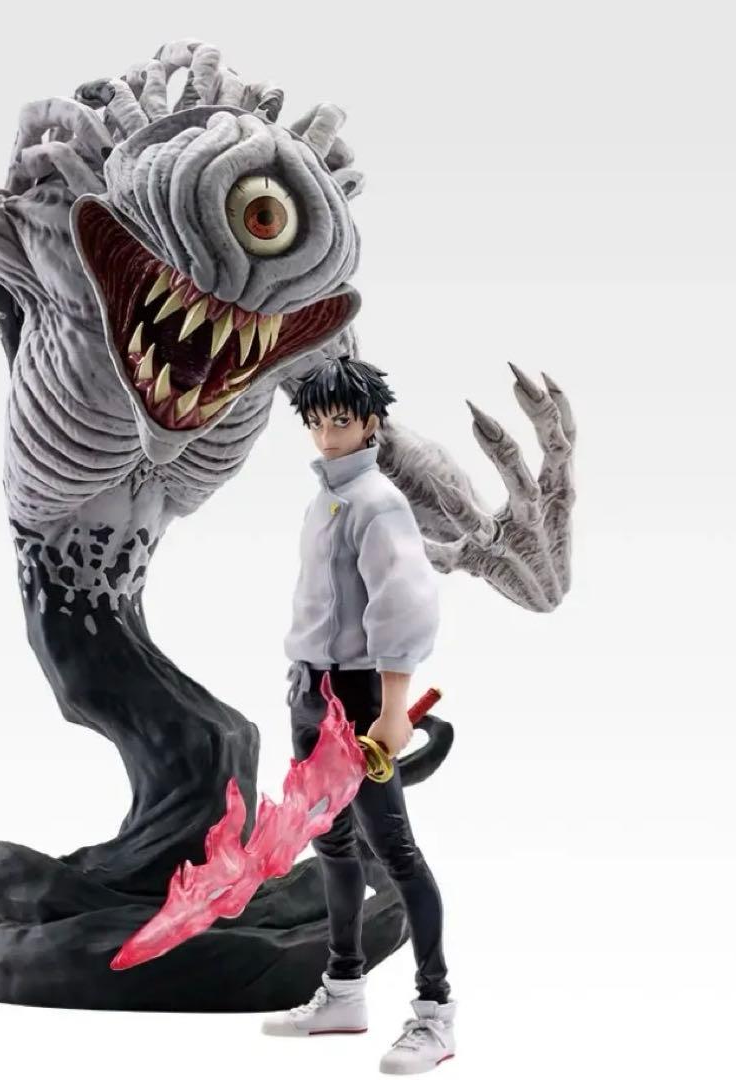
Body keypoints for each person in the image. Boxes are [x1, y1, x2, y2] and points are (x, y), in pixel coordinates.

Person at [261, 357, 456, 1074]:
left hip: (358, 696)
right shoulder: (326, 500)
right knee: (333, 845)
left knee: (395, 852)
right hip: (312, 690)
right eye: (316, 422)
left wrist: (394, 707)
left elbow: (402, 605)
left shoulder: (378, 502)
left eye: (339, 421)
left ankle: (435, 1012)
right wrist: (303, 690)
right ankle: (343, 988)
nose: (325, 435)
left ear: (370, 423)